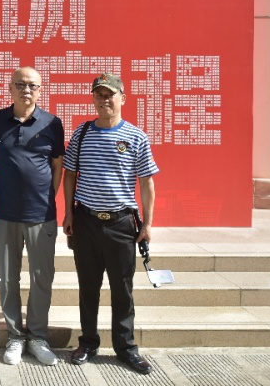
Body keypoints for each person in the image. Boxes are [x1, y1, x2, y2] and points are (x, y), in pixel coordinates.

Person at [62, 73, 158, 375]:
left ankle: (126, 348)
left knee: (122, 290)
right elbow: (69, 175)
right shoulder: (82, 134)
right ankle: (88, 343)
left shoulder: (136, 137)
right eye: (99, 94)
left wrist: (148, 224)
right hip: (87, 222)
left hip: (121, 224)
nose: (104, 99)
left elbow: (146, 183)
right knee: (88, 287)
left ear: (122, 99)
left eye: (110, 94)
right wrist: (69, 214)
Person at [0, 67, 65, 366]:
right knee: (8, 277)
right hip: (5, 212)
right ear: (10, 88)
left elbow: (58, 166)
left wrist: (47, 198)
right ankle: (15, 336)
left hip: (41, 214)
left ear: (40, 90)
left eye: (32, 86)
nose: (26, 90)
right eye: (20, 84)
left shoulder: (52, 123)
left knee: (42, 276)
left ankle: (38, 336)